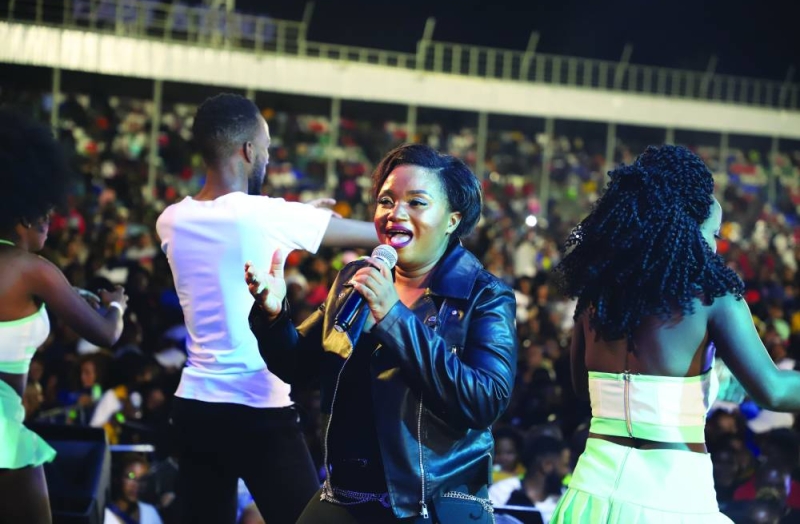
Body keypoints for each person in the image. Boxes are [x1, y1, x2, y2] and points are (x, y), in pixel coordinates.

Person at [247, 143, 518, 523]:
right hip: (346, 496)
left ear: (452, 220)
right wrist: (274, 315)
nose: (396, 213)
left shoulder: (484, 295)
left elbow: (484, 400)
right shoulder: (356, 279)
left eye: (417, 202)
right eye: (386, 201)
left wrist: (393, 317)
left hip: (429, 505)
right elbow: (297, 366)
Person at [154, 93, 379, 524]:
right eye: (267, 148)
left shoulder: (171, 220)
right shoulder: (266, 215)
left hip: (195, 407)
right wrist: (301, 221)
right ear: (248, 150)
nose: (268, 157)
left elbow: (241, 231)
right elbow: (376, 234)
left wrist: (297, 218)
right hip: (257, 407)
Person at [548, 145, 800, 523]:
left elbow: (583, 390)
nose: (715, 247)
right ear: (685, 229)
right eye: (713, 234)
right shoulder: (713, 298)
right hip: (672, 499)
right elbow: (774, 391)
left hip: (590, 496)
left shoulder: (595, 299)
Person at [0, 108, 128, 524]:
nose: (51, 223)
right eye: (47, 214)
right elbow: (106, 335)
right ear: (24, 214)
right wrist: (116, 305)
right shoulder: (33, 270)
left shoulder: (29, 275)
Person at [104, 454, 164, 524]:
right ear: (117, 478)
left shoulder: (149, 512)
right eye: (131, 476)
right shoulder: (105, 516)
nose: (136, 484)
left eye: (143, 479)